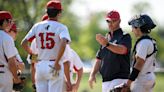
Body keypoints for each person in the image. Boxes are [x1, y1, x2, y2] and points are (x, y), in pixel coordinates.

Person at [21, 1, 72, 92]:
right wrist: (56, 62)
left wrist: (33, 55)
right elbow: (64, 41)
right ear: (59, 13)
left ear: (46, 11)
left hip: (40, 65)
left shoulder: (37, 26)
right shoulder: (61, 27)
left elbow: (24, 43)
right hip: (54, 64)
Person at [88, 10, 132, 92]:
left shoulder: (125, 36)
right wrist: (92, 74)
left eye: (114, 21)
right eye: (108, 21)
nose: (110, 23)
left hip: (120, 79)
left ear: (119, 21)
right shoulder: (106, 38)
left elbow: (123, 50)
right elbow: (98, 59)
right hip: (105, 81)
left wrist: (107, 44)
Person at [122, 14, 157, 92]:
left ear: (138, 27)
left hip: (142, 79)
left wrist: (128, 83)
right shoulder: (150, 41)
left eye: (133, 27)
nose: (132, 30)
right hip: (149, 76)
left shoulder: (144, 42)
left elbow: (139, 64)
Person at [0, 11, 22, 92]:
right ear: (4, 21)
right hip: (3, 74)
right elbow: (11, 62)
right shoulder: (6, 38)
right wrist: (16, 78)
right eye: (9, 21)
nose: (10, 23)